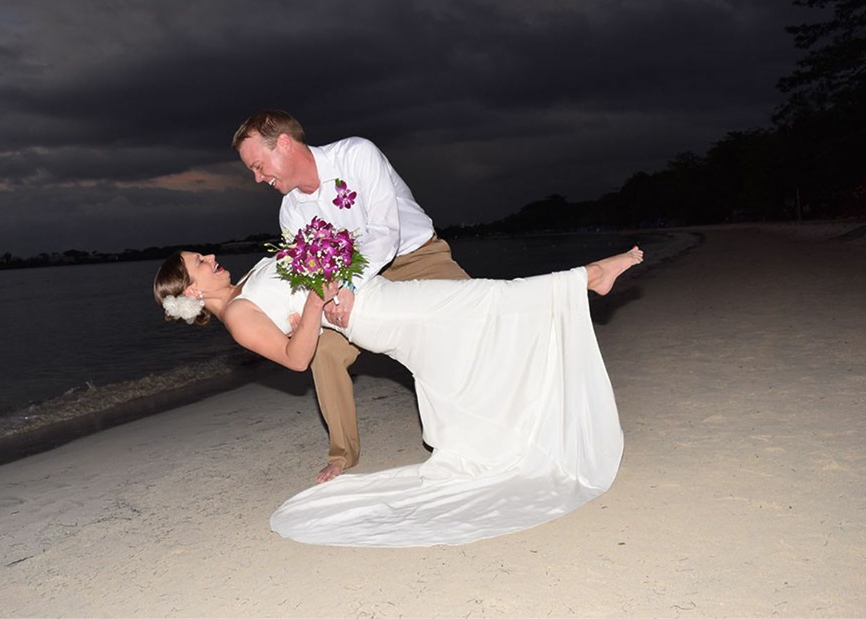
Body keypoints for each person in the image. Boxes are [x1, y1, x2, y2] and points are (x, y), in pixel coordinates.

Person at [152, 245, 644, 547]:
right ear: (192, 292)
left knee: (472, 336)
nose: (211, 258)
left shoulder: (246, 285)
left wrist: (324, 274)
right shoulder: (238, 316)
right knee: (485, 301)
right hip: (377, 315)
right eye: (200, 263)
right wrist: (313, 299)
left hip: (374, 298)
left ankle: (504, 426)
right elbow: (295, 357)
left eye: (204, 255)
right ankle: (588, 278)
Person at [231, 110, 469, 483]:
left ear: (284, 143)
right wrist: (305, 317)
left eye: (258, 166)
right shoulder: (291, 212)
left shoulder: (357, 154)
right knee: (324, 352)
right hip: (349, 287)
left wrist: (347, 285)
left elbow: (385, 234)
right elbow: (311, 276)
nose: (258, 178)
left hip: (416, 257)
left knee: (480, 313)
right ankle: (343, 453)